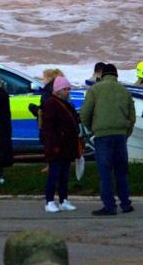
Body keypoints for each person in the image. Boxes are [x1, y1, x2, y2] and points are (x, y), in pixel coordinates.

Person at [79, 63, 135, 216]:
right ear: (116, 75)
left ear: (102, 75)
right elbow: (132, 117)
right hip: (120, 136)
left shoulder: (95, 90)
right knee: (121, 171)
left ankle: (109, 206)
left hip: (102, 136)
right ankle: (126, 204)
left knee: (105, 172)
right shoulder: (125, 91)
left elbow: (84, 114)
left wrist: (92, 128)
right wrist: (125, 133)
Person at [40, 76, 80, 213]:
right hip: (56, 147)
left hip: (67, 146)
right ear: (58, 90)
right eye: (65, 89)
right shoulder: (51, 104)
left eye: (69, 89)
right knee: (54, 174)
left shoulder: (66, 103)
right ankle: (49, 201)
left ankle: (63, 200)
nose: (68, 91)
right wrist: (53, 146)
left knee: (64, 175)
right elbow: (48, 128)